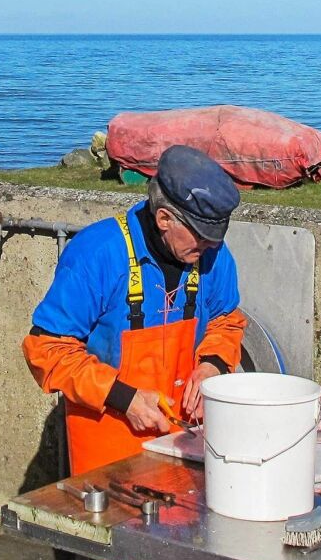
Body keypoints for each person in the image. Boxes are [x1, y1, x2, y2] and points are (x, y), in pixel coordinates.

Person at [22, 142, 248, 474]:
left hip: (186, 446)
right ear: (164, 218)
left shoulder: (213, 254)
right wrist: (123, 397)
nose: (212, 245)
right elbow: (47, 349)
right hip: (108, 454)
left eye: (216, 236)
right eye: (201, 236)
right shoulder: (96, 254)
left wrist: (213, 365)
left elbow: (227, 321)